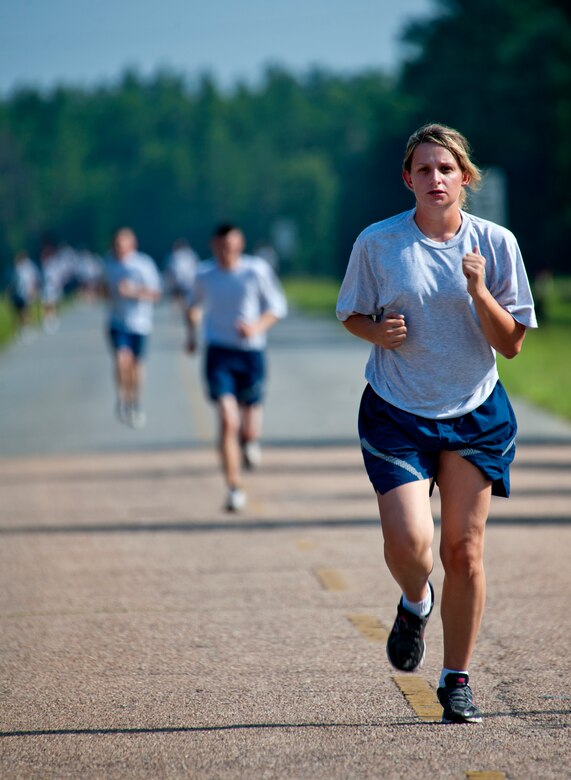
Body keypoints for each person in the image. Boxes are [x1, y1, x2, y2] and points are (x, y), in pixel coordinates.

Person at [336, 123, 537, 724]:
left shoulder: (496, 244)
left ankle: (457, 680)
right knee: (411, 545)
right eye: (423, 169)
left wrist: (478, 291)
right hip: (398, 410)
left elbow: (513, 345)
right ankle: (414, 601)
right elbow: (351, 312)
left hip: (474, 411)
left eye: (445, 169)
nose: (435, 179)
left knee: (464, 550)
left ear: (464, 178)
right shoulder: (378, 243)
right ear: (408, 179)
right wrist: (376, 332)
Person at [186, 223, 287, 512]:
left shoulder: (255, 271)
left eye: (230, 246)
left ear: (240, 244)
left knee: (249, 426)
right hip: (218, 353)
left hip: (251, 353)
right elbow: (192, 304)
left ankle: (249, 442)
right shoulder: (204, 275)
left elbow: (277, 307)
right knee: (228, 420)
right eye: (220, 247)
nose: (225, 252)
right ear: (212, 246)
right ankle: (234, 487)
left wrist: (255, 327)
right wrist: (191, 332)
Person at [101, 227, 162, 429]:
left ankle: (135, 401)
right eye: (116, 244)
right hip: (117, 322)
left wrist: (134, 292)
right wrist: (105, 293)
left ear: (132, 244)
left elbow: (156, 293)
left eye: (123, 244)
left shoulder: (143, 264)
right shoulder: (108, 263)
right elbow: (101, 288)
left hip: (140, 323)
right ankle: (122, 398)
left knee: (136, 366)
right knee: (121, 359)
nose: (119, 248)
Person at [8, 251, 40, 342]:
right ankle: (23, 329)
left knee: (24, 312)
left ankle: (25, 329)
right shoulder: (19, 269)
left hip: (24, 293)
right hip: (20, 294)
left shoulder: (23, 268)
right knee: (22, 312)